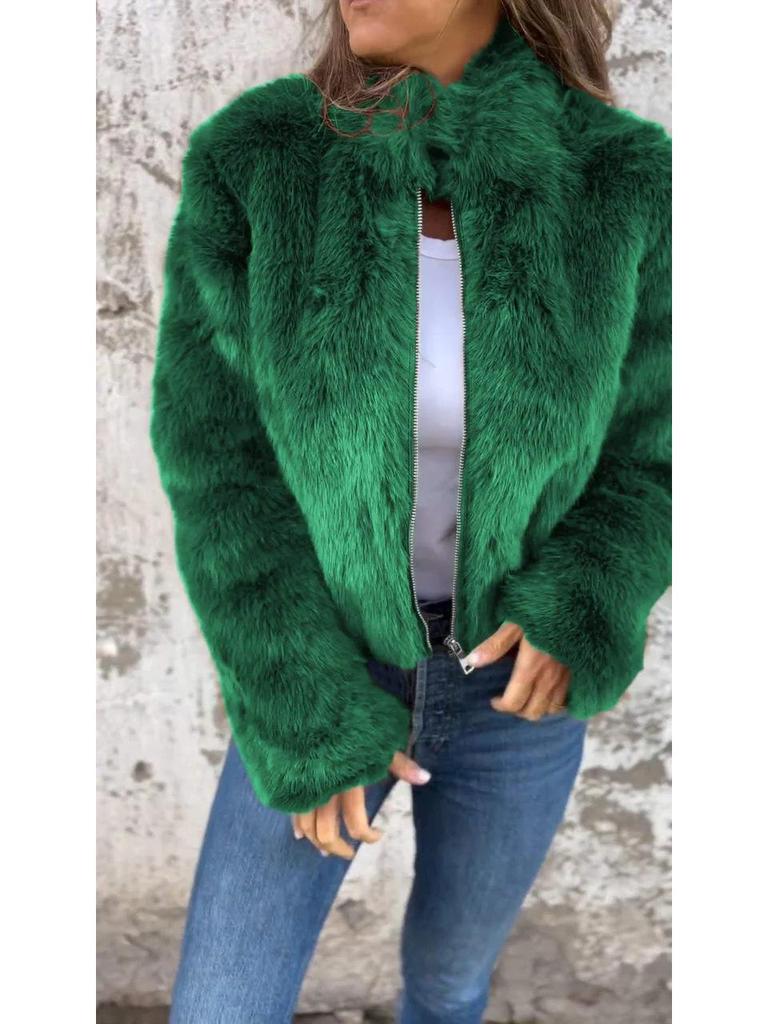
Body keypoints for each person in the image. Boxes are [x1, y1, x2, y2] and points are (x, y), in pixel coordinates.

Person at [149, 0, 671, 1020]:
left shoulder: (625, 180)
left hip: (517, 693)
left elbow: (665, 443)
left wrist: (584, 599)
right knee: (221, 1005)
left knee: (448, 984)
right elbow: (218, 466)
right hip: (323, 669)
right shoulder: (260, 161)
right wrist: (301, 702)